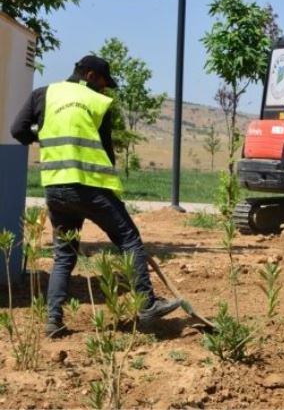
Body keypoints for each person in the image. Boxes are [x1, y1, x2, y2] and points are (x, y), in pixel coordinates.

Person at [11, 56, 182, 337]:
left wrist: (42, 132)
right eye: (103, 83)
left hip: (55, 188)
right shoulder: (97, 103)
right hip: (89, 187)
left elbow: (17, 131)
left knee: (64, 255)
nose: (105, 90)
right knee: (129, 240)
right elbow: (106, 154)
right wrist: (110, 191)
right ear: (90, 75)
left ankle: (53, 321)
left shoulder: (43, 94)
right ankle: (147, 305)